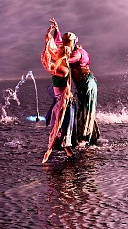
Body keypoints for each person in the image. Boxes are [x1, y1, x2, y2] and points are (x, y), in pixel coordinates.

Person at [50, 19, 100, 147]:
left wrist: (56, 59)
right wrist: (57, 30)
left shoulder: (77, 53)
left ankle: (83, 138)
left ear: (73, 42)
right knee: (84, 107)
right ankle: (91, 135)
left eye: (67, 43)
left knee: (86, 108)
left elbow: (68, 59)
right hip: (83, 84)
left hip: (87, 83)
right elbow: (60, 46)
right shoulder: (72, 49)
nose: (65, 45)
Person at [41, 19, 76, 163]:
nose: (56, 50)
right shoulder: (60, 61)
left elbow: (50, 66)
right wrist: (51, 32)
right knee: (56, 124)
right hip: (60, 98)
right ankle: (62, 150)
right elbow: (51, 49)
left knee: (62, 126)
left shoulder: (63, 68)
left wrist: (48, 58)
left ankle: (63, 154)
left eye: (59, 50)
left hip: (65, 101)